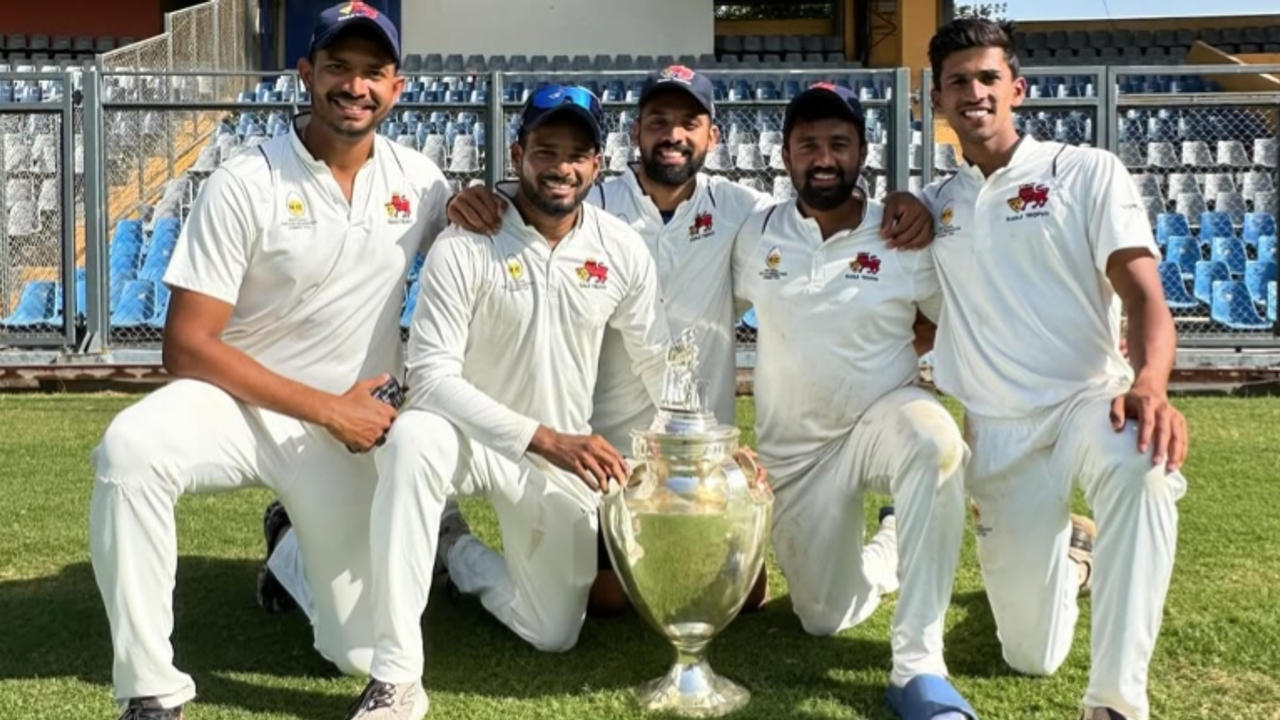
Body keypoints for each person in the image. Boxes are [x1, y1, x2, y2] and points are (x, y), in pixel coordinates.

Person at [446, 64, 937, 614]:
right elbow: (531, 201)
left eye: (689, 122)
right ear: (634, 134)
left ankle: (887, 544)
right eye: (658, 120)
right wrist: (476, 198)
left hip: (700, 452)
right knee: (606, 600)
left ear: (713, 136)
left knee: (743, 600)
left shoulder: (744, 213)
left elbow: (825, 236)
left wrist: (901, 202)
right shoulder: (595, 205)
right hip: (611, 454)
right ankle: (459, 547)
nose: (673, 134)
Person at [87, 4, 450, 718]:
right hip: (237, 405)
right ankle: (150, 691)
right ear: (305, 73)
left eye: (373, 72)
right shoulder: (245, 179)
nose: (355, 86)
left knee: (356, 654)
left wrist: (482, 209)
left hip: (340, 433)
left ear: (397, 88)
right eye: (338, 68)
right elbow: (185, 346)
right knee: (129, 449)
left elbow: (474, 260)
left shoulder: (424, 181)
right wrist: (327, 408)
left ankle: (288, 549)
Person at [344, 85, 671, 720]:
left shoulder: (620, 247)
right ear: (518, 153)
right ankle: (397, 677)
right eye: (546, 149)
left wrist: (696, 440)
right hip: (468, 438)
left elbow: (656, 354)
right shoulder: (468, 241)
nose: (561, 167)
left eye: (578, 154)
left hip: (553, 456)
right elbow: (431, 378)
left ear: (597, 166)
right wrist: (544, 437)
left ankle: (456, 548)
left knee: (554, 633)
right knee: (414, 439)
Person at [924, 18, 1188, 720]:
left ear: (1018, 87)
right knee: (1030, 655)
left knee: (1143, 463)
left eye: (988, 78)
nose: (974, 92)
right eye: (958, 81)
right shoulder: (936, 204)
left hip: (1088, 402)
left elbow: (1144, 296)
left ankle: (1116, 702)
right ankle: (1076, 559)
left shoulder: (1085, 170)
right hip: (998, 431)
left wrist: (1150, 385)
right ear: (936, 99)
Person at [732, 83, 974, 720]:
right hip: (797, 453)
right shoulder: (754, 234)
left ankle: (919, 666)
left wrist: (909, 334)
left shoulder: (902, 233)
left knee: (935, 442)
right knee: (821, 617)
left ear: (862, 151)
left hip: (881, 417)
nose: (823, 157)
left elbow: (952, 320)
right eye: (808, 143)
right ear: (785, 154)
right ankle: (891, 540)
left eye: (839, 143)